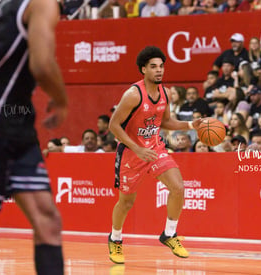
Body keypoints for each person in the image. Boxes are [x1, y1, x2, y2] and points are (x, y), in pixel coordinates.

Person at [0, 0, 67, 274]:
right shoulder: (42, 4)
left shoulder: (1, 8)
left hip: (17, 130)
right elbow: (42, 64)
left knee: (48, 222)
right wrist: (61, 101)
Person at [108, 46, 202, 264]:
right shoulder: (133, 95)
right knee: (126, 203)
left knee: (178, 187)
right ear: (143, 69)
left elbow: (166, 122)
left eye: (161, 66)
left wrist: (191, 124)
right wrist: (138, 148)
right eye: (153, 67)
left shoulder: (165, 93)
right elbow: (114, 125)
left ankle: (169, 233)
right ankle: (115, 238)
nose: (159, 71)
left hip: (155, 148)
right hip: (132, 153)